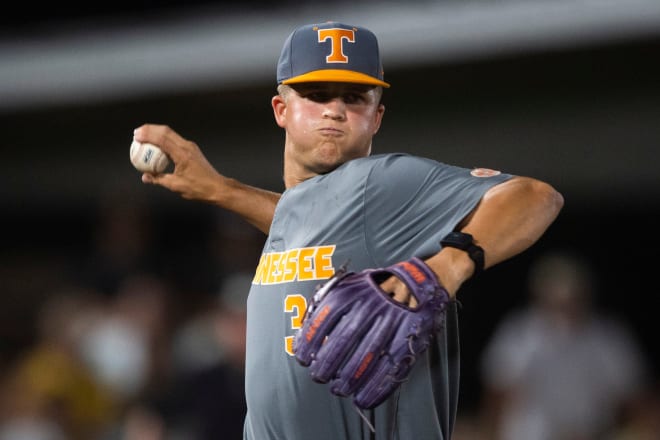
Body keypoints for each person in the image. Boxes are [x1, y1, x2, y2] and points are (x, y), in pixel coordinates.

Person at [132, 21, 563, 440]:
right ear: (282, 109)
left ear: (376, 117)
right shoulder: (314, 210)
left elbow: (534, 196)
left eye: (354, 98)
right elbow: (310, 225)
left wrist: (447, 266)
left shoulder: (383, 181)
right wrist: (220, 190)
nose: (335, 109)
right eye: (317, 95)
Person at [479, 250, 649, 440]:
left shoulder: (607, 335)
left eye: (573, 298)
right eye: (558, 300)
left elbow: (632, 394)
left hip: (590, 433)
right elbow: (498, 391)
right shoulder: (520, 332)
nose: (566, 307)